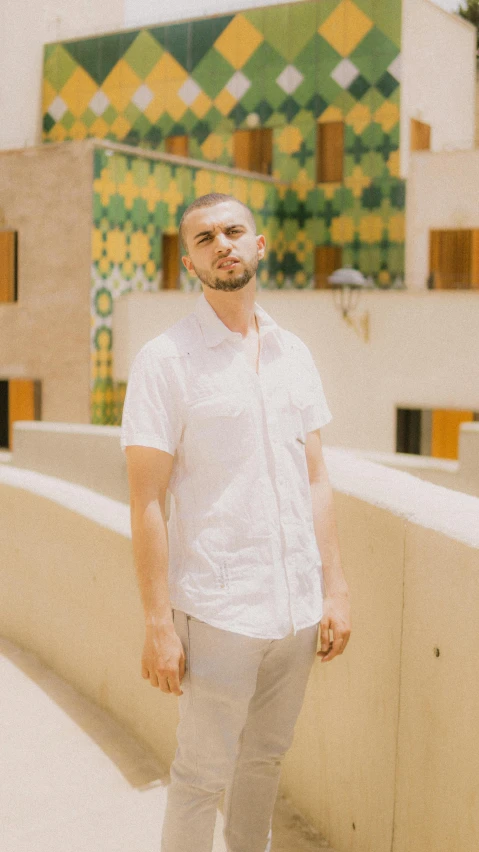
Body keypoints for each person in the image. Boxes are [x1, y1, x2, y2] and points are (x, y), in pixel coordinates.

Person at [121, 192, 351, 852]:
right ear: (189, 263)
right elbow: (146, 502)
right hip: (218, 611)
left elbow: (314, 479)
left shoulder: (292, 354)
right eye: (203, 239)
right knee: (198, 779)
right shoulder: (165, 361)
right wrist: (157, 624)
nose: (221, 244)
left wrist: (333, 589)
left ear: (259, 245)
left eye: (232, 230)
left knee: (262, 768)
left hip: (296, 611)